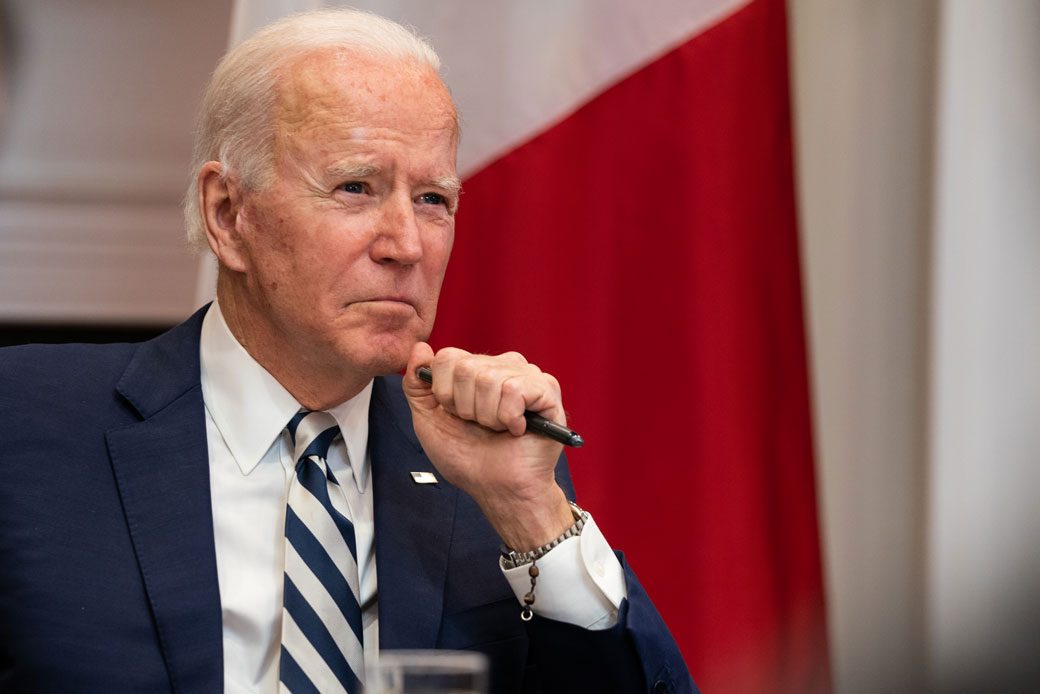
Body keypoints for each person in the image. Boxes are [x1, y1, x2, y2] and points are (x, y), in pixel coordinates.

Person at [0, 8, 695, 693]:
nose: (408, 245)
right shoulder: (25, 426)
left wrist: (533, 513)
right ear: (228, 215)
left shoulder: (489, 470)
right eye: (355, 188)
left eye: (432, 199)